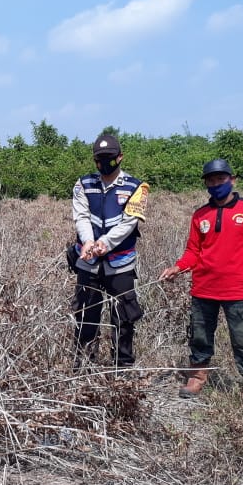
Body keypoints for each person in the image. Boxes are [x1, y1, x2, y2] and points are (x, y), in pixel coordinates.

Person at [159, 159, 243, 404]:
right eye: (211, 180)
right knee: (199, 336)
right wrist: (178, 267)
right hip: (203, 288)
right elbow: (193, 252)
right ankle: (197, 377)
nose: (216, 184)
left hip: (238, 290)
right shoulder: (200, 215)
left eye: (221, 179)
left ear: (232, 180)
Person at [69, 133, 148, 371]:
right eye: (99, 158)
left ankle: (121, 369)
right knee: (85, 316)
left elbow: (129, 222)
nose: (104, 162)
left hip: (120, 263)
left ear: (120, 157)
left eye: (109, 157)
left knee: (123, 317)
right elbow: (81, 216)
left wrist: (105, 243)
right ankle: (82, 368)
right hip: (88, 262)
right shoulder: (83, 184)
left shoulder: (137, 187)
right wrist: (88, 242)